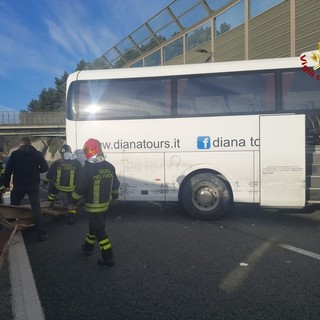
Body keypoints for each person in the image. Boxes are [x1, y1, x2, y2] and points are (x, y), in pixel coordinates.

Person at [69, 138, 120, 266]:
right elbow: (116, 184)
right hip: (105, 206)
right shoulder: (109, 166)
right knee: (94, 228)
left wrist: (72, 203)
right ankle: (87, 248)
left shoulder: (86, 169)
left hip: (93, 207)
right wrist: (115, 197)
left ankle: (108, 257)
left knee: (100, 232)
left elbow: (79, 189)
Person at [0, 137, 49, 241]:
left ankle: (9, 231)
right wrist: (36, 169)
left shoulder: (15, 155)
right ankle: (42, 233)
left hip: (19, 185)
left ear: (20, 144)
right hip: (33, 185)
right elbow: (45, 168)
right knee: (36, 210)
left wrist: (5, 184)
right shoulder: (37, 154)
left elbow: (8, 170)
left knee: (13, 207)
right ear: (30, 144)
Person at [43, 144, 82, 224]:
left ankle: (48, 207)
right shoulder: (76, 163)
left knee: (52, 195)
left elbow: (49, 175)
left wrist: (45, 182)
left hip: (58, 187)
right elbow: (81, 175)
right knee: (72, 202)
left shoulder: (57, 163)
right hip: (71, 188)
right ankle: (71, 218)